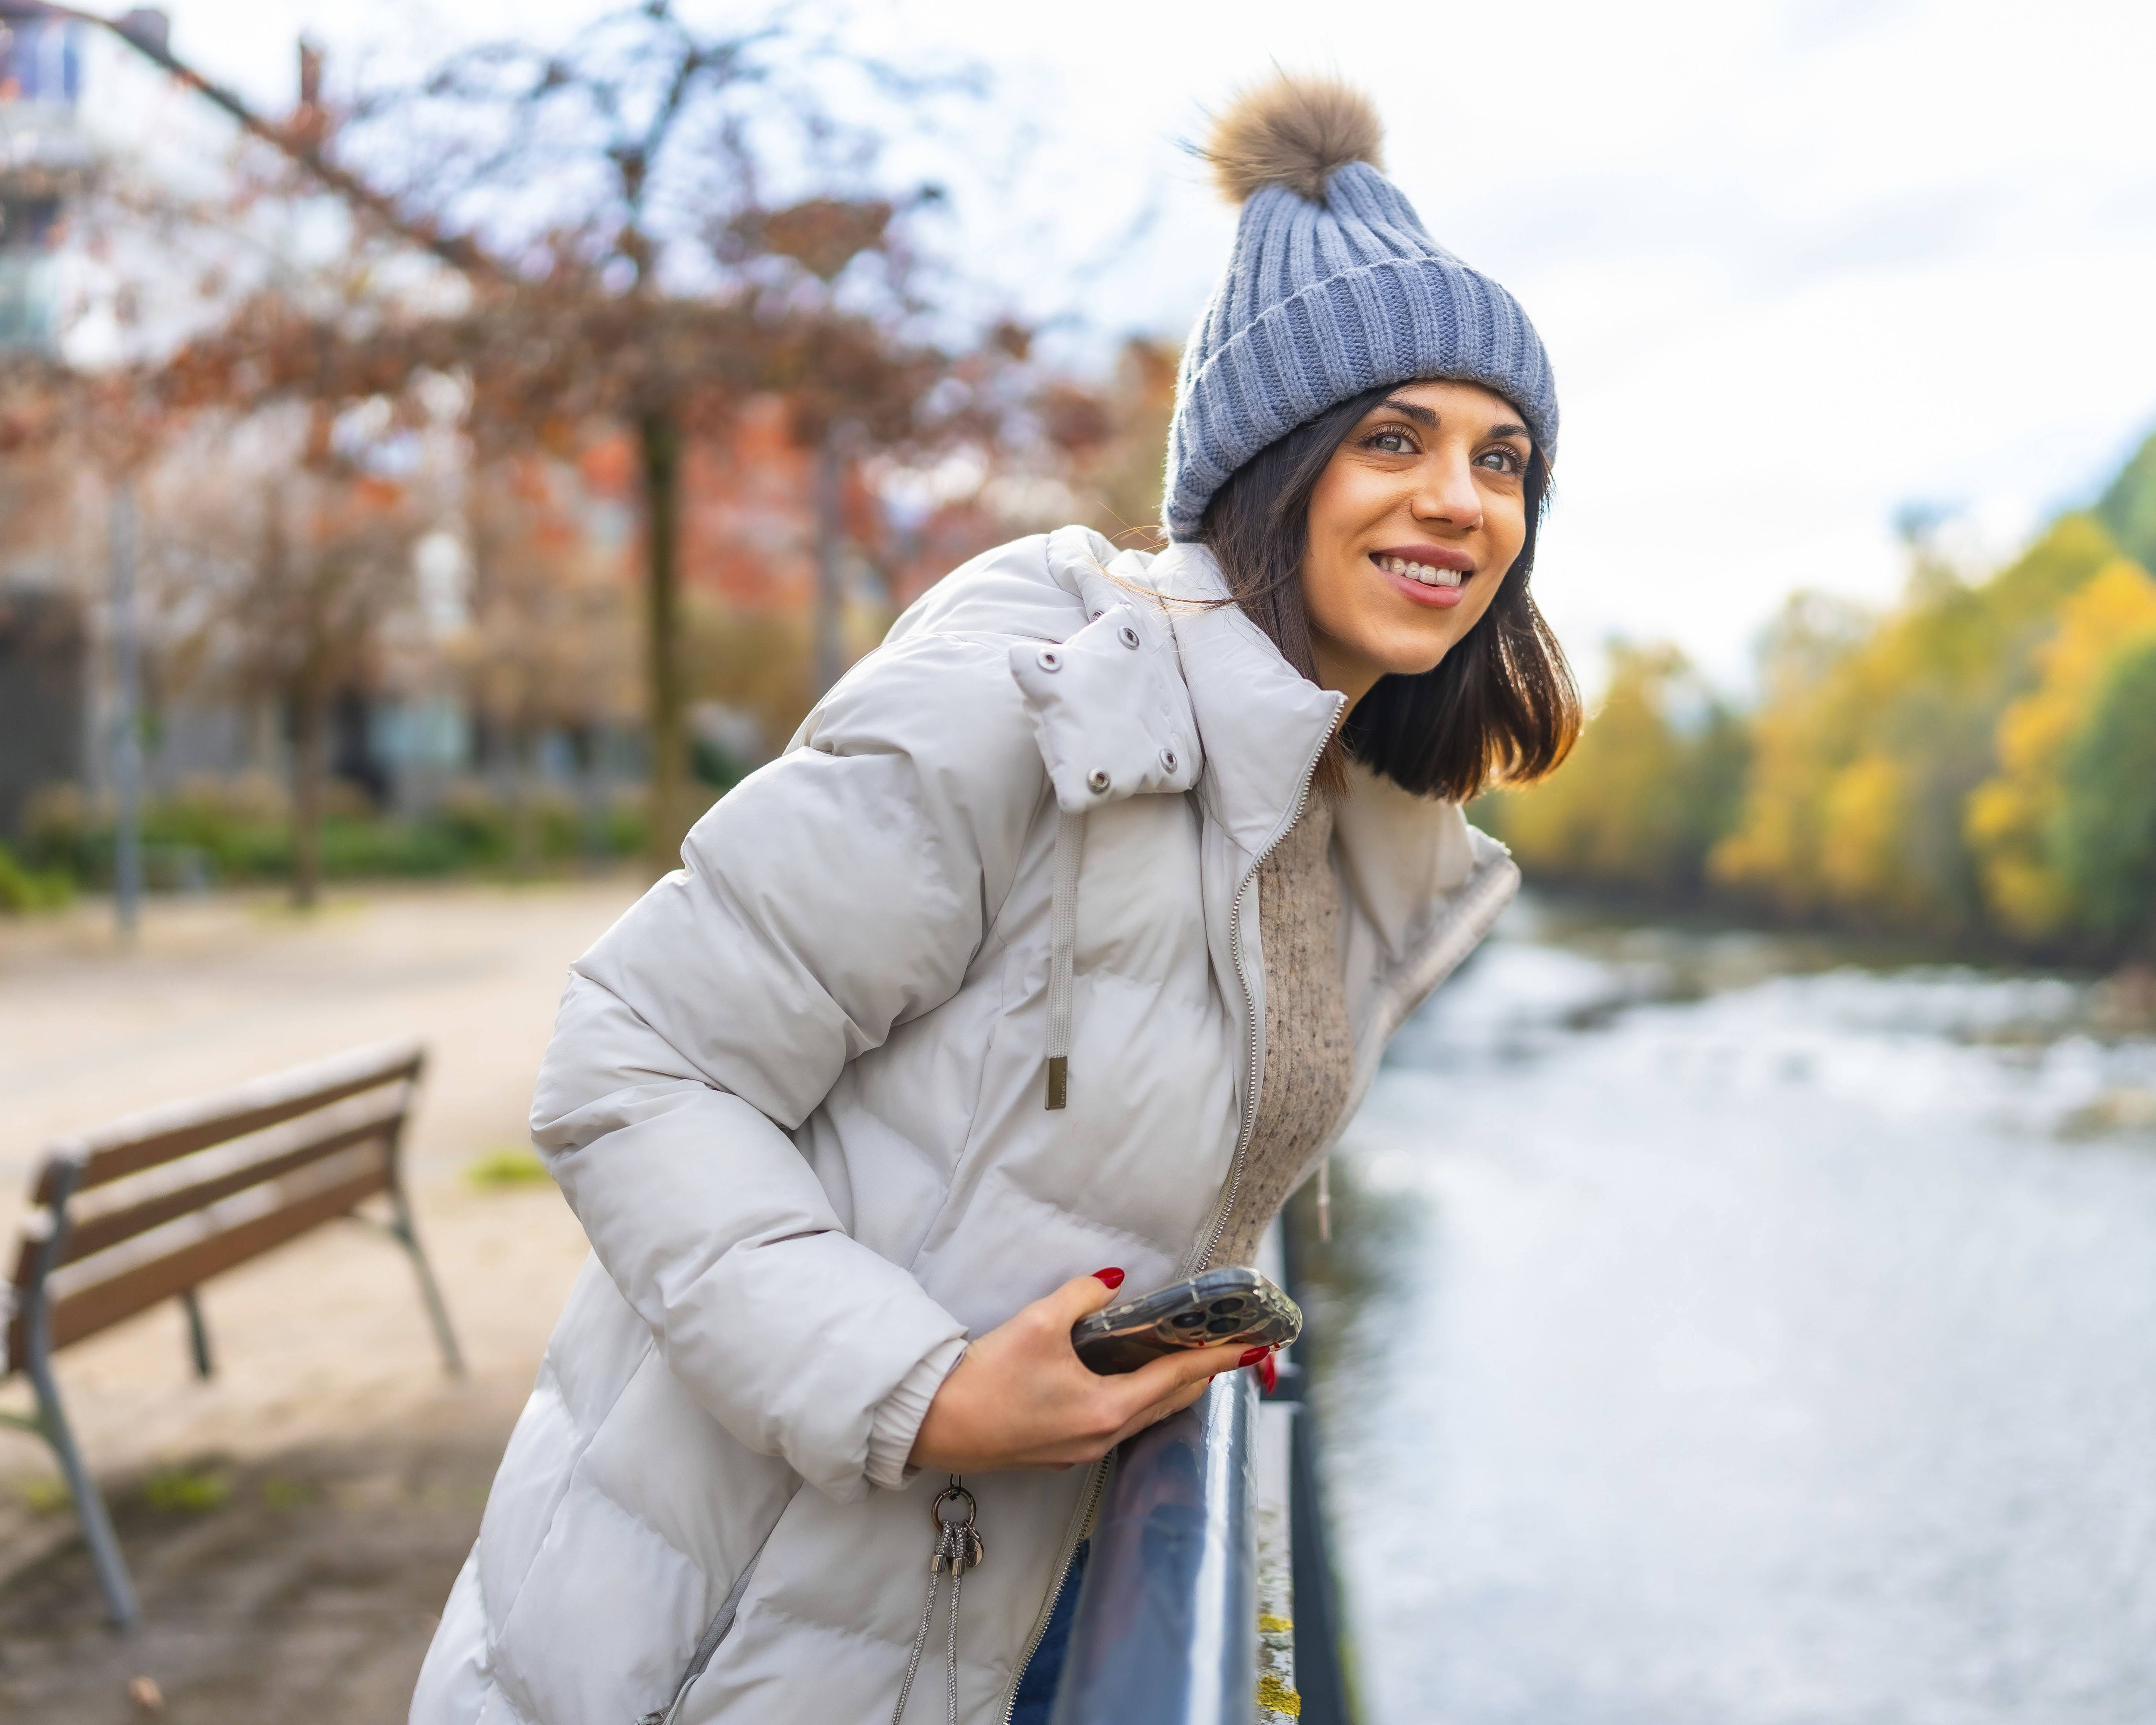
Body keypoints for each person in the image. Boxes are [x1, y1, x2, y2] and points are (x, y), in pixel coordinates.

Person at [413, 71, 1576, 1725]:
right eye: (1395, 438)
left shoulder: (1333, 817)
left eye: (1504, 459)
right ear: (1273, 464)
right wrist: (928, 1389)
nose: (1462, 499)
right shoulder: (1033, 706)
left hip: (984, 1624)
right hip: (711, 1633)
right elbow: (631, 1062)